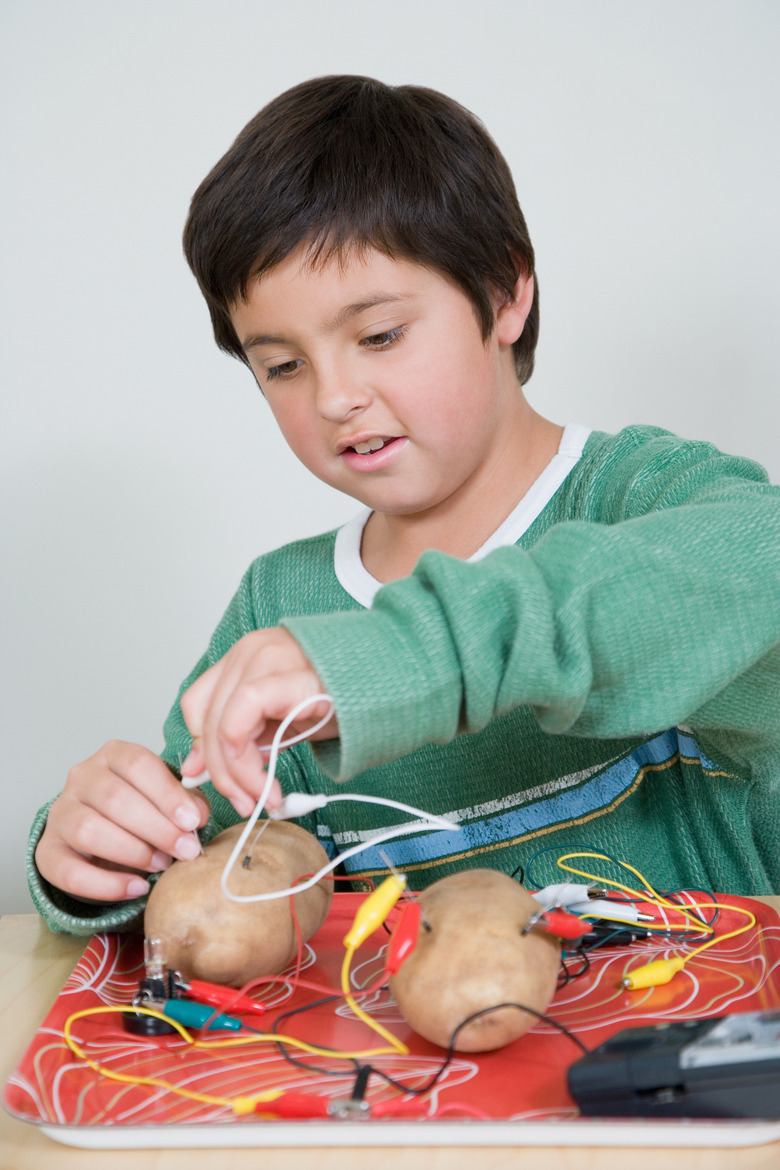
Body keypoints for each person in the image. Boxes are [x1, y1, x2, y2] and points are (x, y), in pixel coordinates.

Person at [30, 76, 780, 936]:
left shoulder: (641, 497)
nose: (335, 396)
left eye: (380, 336)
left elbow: (761, 552)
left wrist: (407, 657)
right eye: (282, 365)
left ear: (504, 294)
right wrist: (99, 858)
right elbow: (204, 878)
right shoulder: (281, 609)